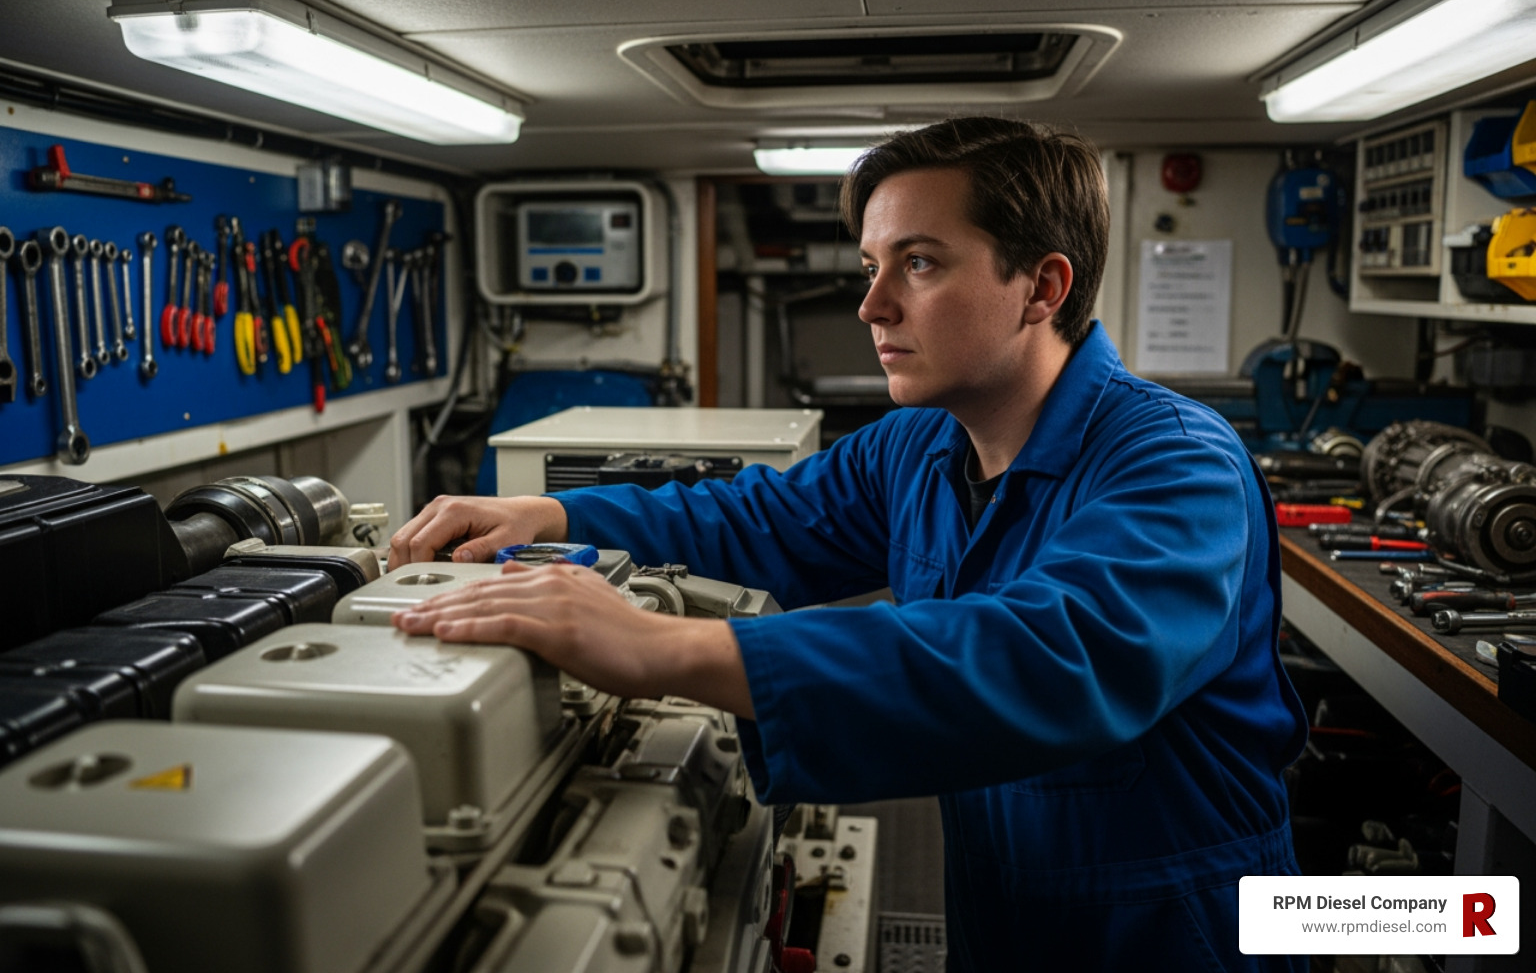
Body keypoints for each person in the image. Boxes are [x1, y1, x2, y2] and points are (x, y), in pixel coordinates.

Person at [390, 117, 1309, 972]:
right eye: (871, 264)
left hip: (1178, 926)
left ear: (1042, 286)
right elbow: (755, 519)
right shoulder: (920, 445)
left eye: (917, 264)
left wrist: (667, 647)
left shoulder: (1177, 463)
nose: (871, 305)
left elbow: (1056, 657)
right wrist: (549, 518)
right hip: (1003, 909)